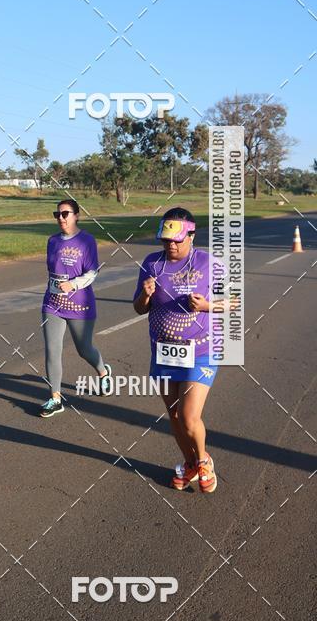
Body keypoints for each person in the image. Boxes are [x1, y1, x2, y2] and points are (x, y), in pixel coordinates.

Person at [133, 207, 233, 493]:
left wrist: (207, 306)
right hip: (164, 351)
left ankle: (203, 460)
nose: (171, 245)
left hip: (202, 349)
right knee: (175, 416)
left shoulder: (207, 262)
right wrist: (145, 295)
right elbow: (139, 309)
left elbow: (233, 301)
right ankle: (190, 463)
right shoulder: (152, 263)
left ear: (191, 235)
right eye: (166, 240)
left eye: (177, 240)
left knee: (189, 416)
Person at [39, 199, 112, 417]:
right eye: (58, 214)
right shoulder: (52, 241)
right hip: (52, 304)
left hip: (80, 304)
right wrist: (59, 285)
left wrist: (73, 284)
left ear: (77, 215)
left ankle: (103, 371)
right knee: (52, 350)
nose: (61, 218)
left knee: (84, 349)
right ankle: (55, 399)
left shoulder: (86, 240)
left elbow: (92, 272)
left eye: (65, 214)